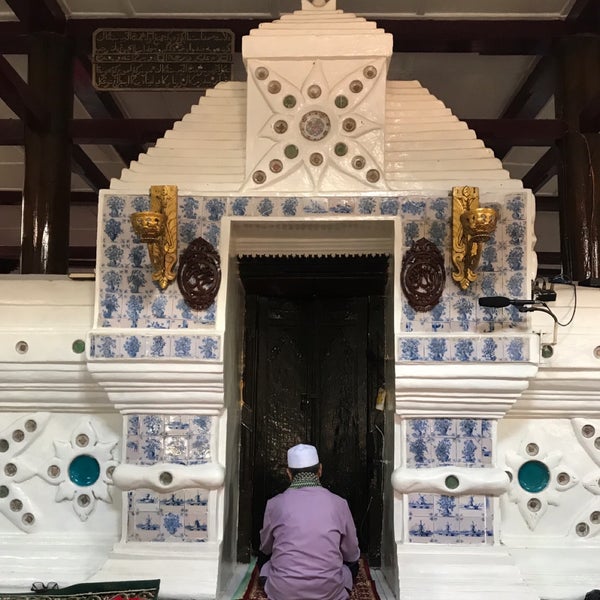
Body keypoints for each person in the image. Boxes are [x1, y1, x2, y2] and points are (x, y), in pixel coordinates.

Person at [258, 443, 360, 600]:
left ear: (289, 474)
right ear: (320, 470)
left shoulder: (274, 504)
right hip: (329, 592)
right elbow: (351, 553)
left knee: (265, 564)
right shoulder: (339, 503)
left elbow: (266, 547)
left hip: (283, 592)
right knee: (351, 567)